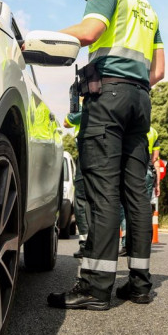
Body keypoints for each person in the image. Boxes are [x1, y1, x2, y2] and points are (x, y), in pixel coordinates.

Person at [47, 0, 164, 310]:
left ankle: (95, 288)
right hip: (140, 102)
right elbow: (158, 72)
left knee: (101, 191)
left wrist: (41, 38)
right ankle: (140, 284)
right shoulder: (147, 8)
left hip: (107, 97)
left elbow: (88, 32)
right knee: (136, 196)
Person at [119, 125, 161, 255]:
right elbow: (155, 159)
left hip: (130, 168)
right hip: (148, 171)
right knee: (144, 208)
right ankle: (143, 244)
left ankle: (126, 243)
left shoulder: (127, 127)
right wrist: (158, 184)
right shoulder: (153, 132)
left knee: (125, 206)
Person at [63, 101, 88, 259]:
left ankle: (86, 243)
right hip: (113, 151)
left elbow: (67, 122)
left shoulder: (87, 99)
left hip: (88, 150)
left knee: (81, 199)